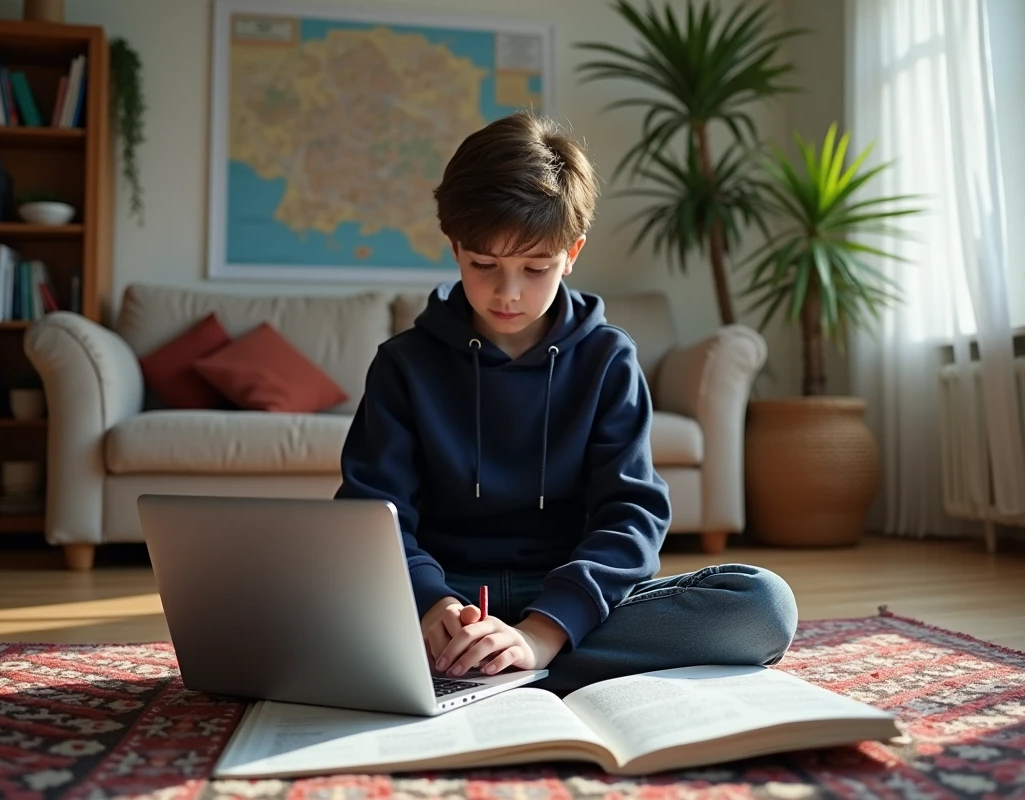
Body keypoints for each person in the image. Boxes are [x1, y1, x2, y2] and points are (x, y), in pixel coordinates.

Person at [336, 112, 797, 697]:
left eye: (535, 268)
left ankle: (499, 667)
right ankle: (478, 659)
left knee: (761, 606)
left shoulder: (608, 359)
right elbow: (373, 512)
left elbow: (631, 515)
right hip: (439, 603)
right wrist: (431, 603)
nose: (508, 292)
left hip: (571, 600)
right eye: (484, 265)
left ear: (572, 253)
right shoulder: (403, 364)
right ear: (454, 247)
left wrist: (542, 632)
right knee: (274, 601)